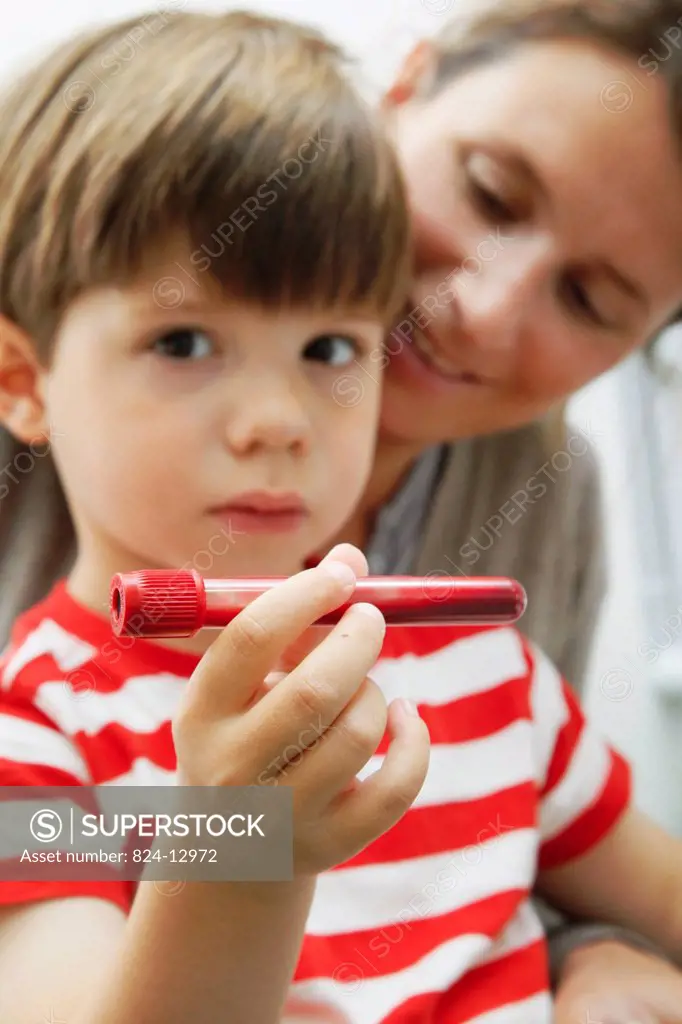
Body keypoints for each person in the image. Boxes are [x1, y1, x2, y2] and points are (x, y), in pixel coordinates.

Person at [0, 0, 681, 1019]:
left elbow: (630, 887)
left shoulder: (487, 660)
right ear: (23, 379)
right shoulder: (42, 731)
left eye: (329, 349)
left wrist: (612, 964)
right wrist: (244, 841)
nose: (279, 422)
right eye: (183, 343)